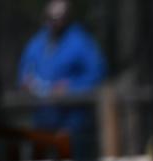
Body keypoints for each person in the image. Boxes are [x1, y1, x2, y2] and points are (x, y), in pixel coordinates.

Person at [18, 0, 105, 137]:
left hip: (73, 122)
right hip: (42, 121)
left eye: (60, 18)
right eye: (50, 18)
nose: (55, 22)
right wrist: (26, 82)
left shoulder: (81, 42)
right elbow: (25, 69)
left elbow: (97, 73)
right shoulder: (37, 42)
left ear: (67, 18)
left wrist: (71, 87)